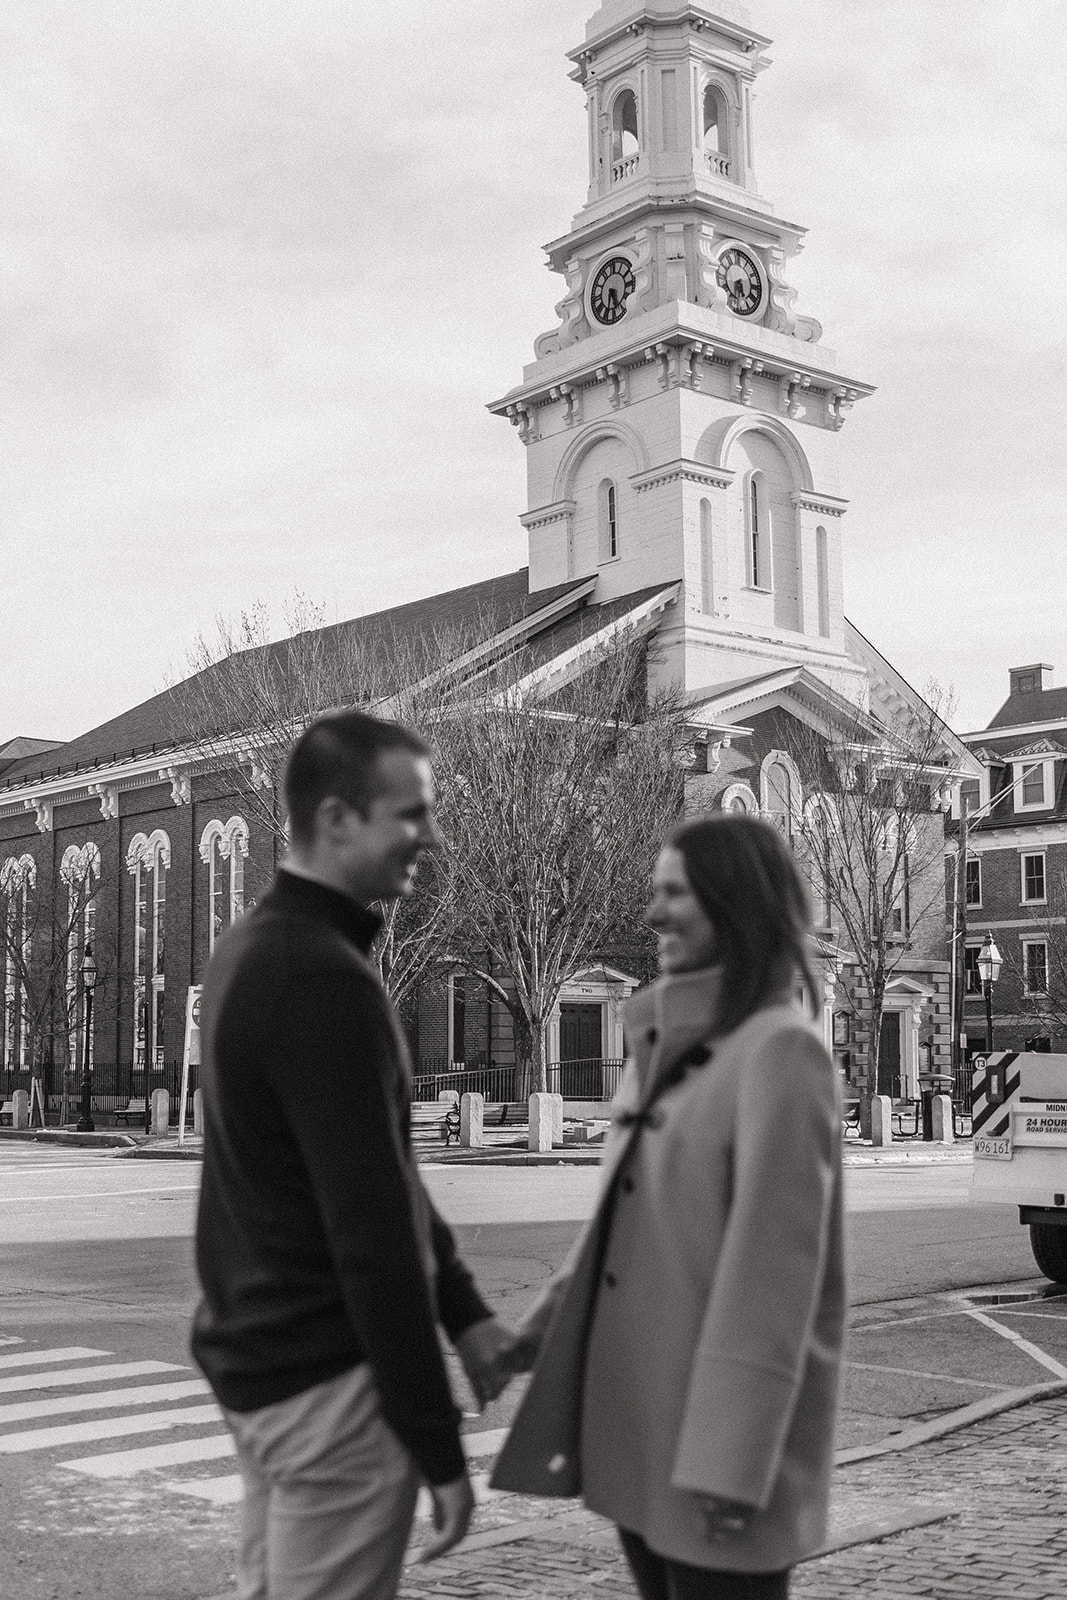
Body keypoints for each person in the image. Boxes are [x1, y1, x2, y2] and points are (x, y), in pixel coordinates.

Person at [192, 710, 512, 1600]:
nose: (430, 836)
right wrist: (435, 1445)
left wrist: (466, 1312)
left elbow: (378, 1178)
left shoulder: (250, 949)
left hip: (265, 1376)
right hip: (332, 1394)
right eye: (409, 814)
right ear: (336, 820)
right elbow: (372, 1236)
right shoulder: (323, 978)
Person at [492, 814, 846, 1600]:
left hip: (716, 1451)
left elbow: (773, 1287)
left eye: (674, 894)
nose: (652, 915)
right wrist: (539, 1329)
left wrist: (729, 1463)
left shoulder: (781, 1054)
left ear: (734, 903)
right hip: (644, 1424)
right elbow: (626, 1226)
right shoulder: (668, 1044)